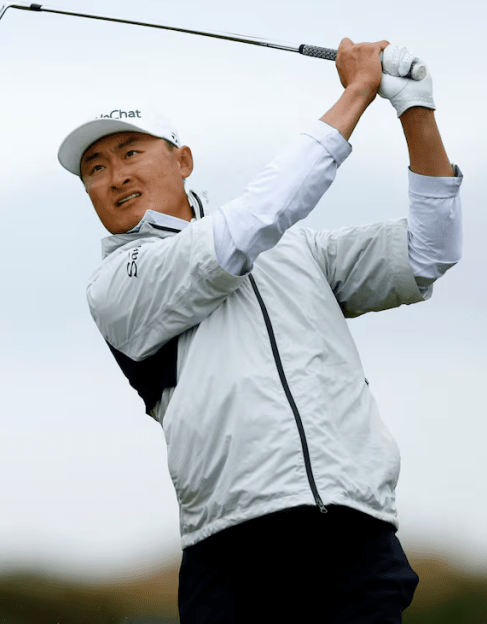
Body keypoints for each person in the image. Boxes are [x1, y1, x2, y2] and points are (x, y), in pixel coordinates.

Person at [56, 39, 463, 623]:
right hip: (236, 551)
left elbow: (429, 250)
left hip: (355, 535)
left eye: (130, 152)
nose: (116, 176)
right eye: (96, 169)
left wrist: (414, 110)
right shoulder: (119, 282)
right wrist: (356, 95)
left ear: (183, 159)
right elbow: (250, 224)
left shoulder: (294, 249)